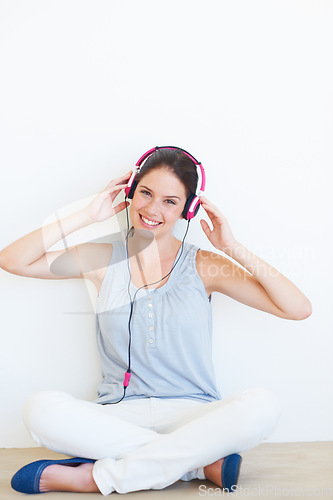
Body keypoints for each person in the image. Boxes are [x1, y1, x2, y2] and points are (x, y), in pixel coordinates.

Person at [0, 147, 312, 495]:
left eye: (169, 201)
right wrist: (88, 216)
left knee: (261, 405)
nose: (152, 209)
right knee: (40, 409)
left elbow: (297, 308)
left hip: (195, 416)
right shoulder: (102, 258)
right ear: (130, 192)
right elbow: (13, 261)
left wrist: (232, 246)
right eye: (146, 193)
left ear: (188, 210)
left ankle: (96, 478)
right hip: (118, 413)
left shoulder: (205, 265)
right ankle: (196, 464)